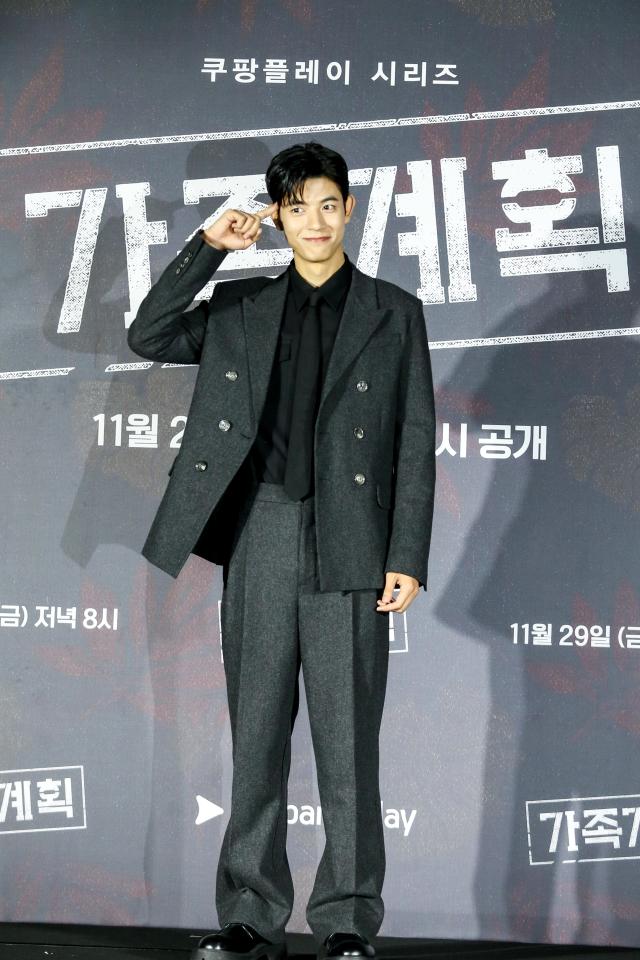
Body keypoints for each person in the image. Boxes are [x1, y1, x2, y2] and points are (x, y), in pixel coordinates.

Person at [127, 141, 436, 960]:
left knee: (347, 743)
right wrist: (207, 249)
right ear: (278, 216)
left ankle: (345, 920)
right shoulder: (239, 308)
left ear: (350, 210)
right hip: (260, 530)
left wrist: (406, 552)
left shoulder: (393, 312)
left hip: (353, 542)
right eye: (296, 207)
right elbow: (146, 334)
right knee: (256, 734)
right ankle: (249, 912)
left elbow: (415, 441)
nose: (314, 221)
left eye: (328, 203)